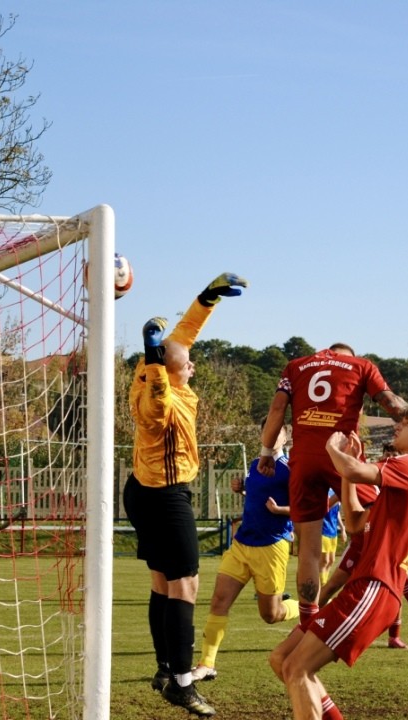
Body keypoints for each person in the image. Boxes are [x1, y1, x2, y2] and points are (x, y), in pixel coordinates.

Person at [269, 401, 408, 720]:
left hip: (374, 588)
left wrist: (332, 448)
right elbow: (355, 523)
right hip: (366, 587)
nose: (399, 425)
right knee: (282, 660)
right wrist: (348, 472)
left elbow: (353, 470)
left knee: (298, 669)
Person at [123, 272, 247, 718]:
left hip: (142, 492)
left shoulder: (151, 376)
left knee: (162, 582)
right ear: (169, 371)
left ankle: (163, 669)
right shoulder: (162, 399)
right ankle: (180, 681)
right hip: (165, 497)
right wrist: (154, 352)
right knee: (186, 584)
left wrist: (206, 298)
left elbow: (183, 338)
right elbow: (158, 400)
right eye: (187, 363)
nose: (192, 364)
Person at [258, 344, 408, 631]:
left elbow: (276, 409)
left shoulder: (296, 366)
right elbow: (391, 403)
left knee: (308, 550)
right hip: (341, 455)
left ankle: (307, 624)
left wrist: (266, 451)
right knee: (388, 523)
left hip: (303, 460)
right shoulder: (362, 366)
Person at [190, 422, 301, 683]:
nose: (271, 435)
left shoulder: (290, 469)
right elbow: (257, 496)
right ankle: (206, 664)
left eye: (277, 431)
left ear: (286, 437)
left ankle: (307, 607)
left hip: (271, 547)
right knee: (219, 601)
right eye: (267, 430)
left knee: (270, 615)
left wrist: (280, 511)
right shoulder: (255, 464)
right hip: (241, 544)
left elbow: (303, 507)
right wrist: (242, 489)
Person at [318, 442, 408, 648]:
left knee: (396, 579)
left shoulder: (396, 475)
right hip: (364, 539)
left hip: (381, 536)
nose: (391, 458)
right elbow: (343, 501)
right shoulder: (368, 472)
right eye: (388, 454)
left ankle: (397, 634)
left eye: (395, 454)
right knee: (335, 585)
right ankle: (308, 620)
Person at [320, 492, 343, 586]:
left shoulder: (335, 491)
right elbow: (323, 508)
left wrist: (342, 528)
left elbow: (337, 513)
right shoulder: (324, 490)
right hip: (323, 530)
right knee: (324, 561)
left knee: (331, 560)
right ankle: (322, 585)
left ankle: (324, 582)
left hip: (333, 532)